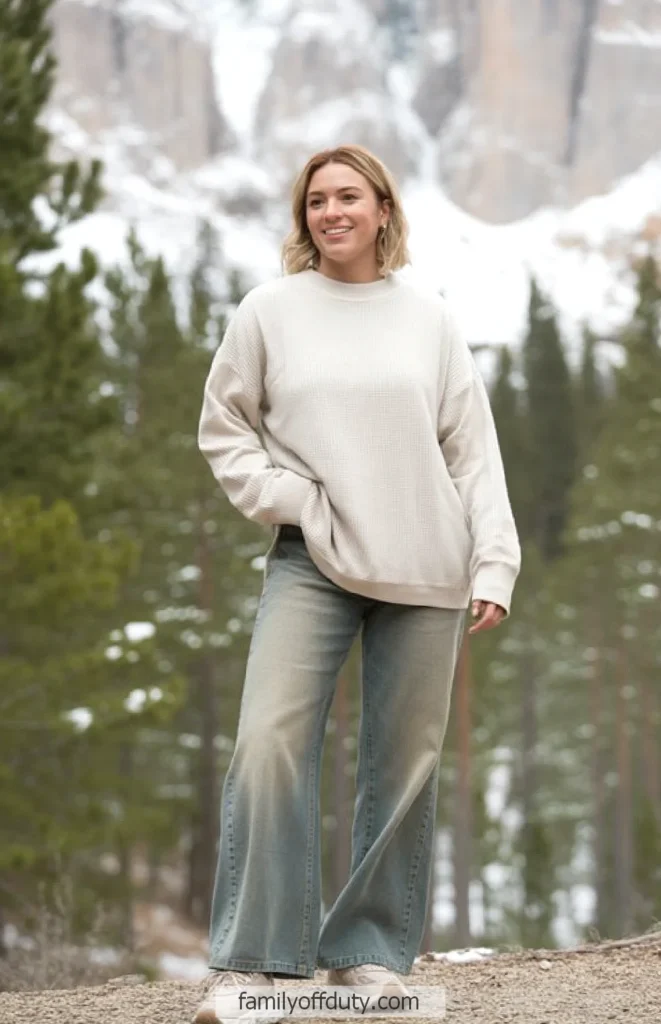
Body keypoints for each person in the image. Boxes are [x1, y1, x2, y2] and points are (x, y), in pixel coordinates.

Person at [194, 143, 521, 1024]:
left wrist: (493, 560)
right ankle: (257, 961)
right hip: (314, 558)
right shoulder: (269, 312)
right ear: (303, 219)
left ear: (383, 209)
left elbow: (472, 455)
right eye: (314, 202)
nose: (330, 212)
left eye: (348, 197)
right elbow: (224, 430)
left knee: (402, 763)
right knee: (267, 741)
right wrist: (294, 499)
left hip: (428, 564)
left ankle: (369, 956)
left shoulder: (429, 321)